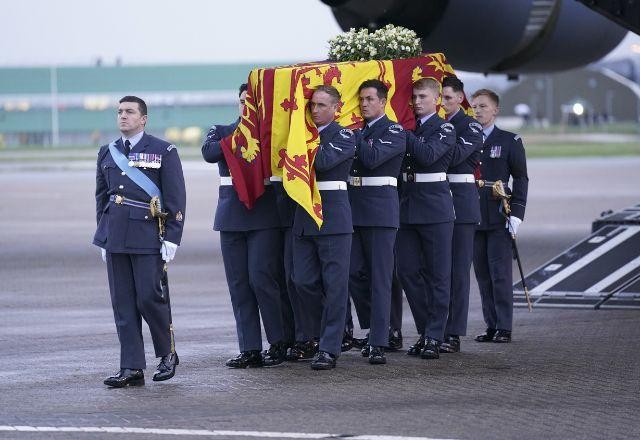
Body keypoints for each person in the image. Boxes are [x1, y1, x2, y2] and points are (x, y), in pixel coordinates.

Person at [94, 96, 185, 387]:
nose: (123, 116)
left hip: (148, 235)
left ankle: (167, 354)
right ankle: (131, 367)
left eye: (129, 112)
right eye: (120, 112)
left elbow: (175, 197)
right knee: (123, 305)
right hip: (116, 237)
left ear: (143, 118)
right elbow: (102, 197)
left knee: (150, 298)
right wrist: (104, 234)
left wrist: (173, 237)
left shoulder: (163, 150)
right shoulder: (107, 152)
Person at [201, 84, 286, 367]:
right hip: (231, 217)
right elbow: (209, 152)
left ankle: (278, 342)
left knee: (262, 279)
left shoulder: (271, 135)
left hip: (264, 216)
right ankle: (249, 347)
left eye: (251, 102)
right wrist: (242, 134)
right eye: (241, 101)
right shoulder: (222, 130)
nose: (245, 106)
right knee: (239, 285)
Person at [292, 85, 356, 370]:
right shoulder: (302, 135)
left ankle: (329, 347)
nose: (314, 110)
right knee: (302, 280)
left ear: (336, 108)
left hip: (332, 218)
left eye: (320, 105)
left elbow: (325, 161)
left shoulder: (343, 135)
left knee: (335, 285)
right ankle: (325, 333)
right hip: (305, 217)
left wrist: (299, 145)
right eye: (312, 106)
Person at [397, 78, 456, 360]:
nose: (417, 102)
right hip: (408, 206)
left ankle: (435, 336)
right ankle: (425, 331)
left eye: (422, 97)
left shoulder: (444, 128)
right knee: (407, 271)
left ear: (436, 100)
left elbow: (429, 155)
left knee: (438, 275)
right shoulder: (412, 128)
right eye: (414, 97)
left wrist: (404, 133)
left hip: (434, 209)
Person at [348, 79, 406, 365]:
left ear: (383, 102)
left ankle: (379, 340)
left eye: (370, 99)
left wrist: (352, 135)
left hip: (381, 211)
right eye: (361, 99)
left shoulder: (394, 131)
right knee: (353, 272)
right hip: (355, 209)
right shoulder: (358, 131)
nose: (364, 104)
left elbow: (371, 159)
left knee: (380, 278)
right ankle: (373, 327)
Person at [470, 89, 529, 343]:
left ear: (496, 110)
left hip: (498, 212)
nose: (478, 110)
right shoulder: (467, 138)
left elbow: (521, 178)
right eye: (474, 106)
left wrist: (517, 214)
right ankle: (491, 324)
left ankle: (505, 326)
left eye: (483, 106)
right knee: (482, 274)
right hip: (473, 213)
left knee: (500, 274)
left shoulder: (509, 140)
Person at [440, 76, 483, 353]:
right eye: (439, 97)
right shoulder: (433, 126)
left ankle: (453, 332)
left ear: (459, 98)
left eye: (446, 98)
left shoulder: (471, 126)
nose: (441, 103)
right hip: (437, 200)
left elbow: (454, 157)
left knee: (457, 270)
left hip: (461, 203)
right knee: (437, 269)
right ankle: (436, 327)